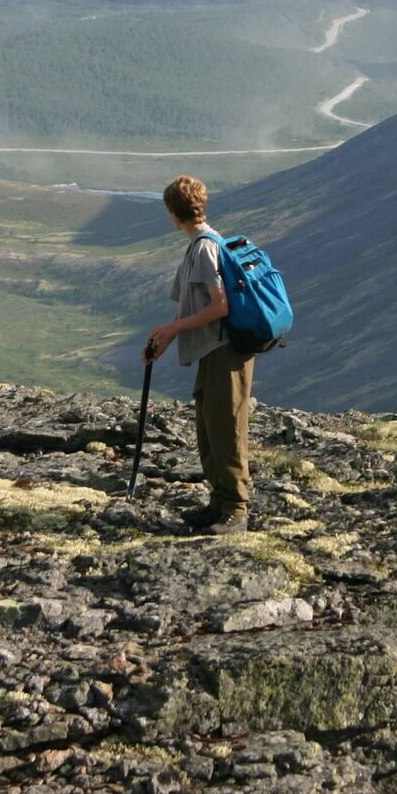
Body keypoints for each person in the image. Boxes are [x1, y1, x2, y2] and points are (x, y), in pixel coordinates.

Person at [146, 175, 255, 534]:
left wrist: (175, 330)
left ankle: (236, 510)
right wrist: (165, 335)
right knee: (209, 426)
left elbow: (219, 305)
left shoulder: (206, 247)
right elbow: (193, 304)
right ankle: (218, 503)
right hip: (212, 351)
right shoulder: (198, 245)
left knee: (226, 427)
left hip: (225, 351)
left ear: (173, 213)